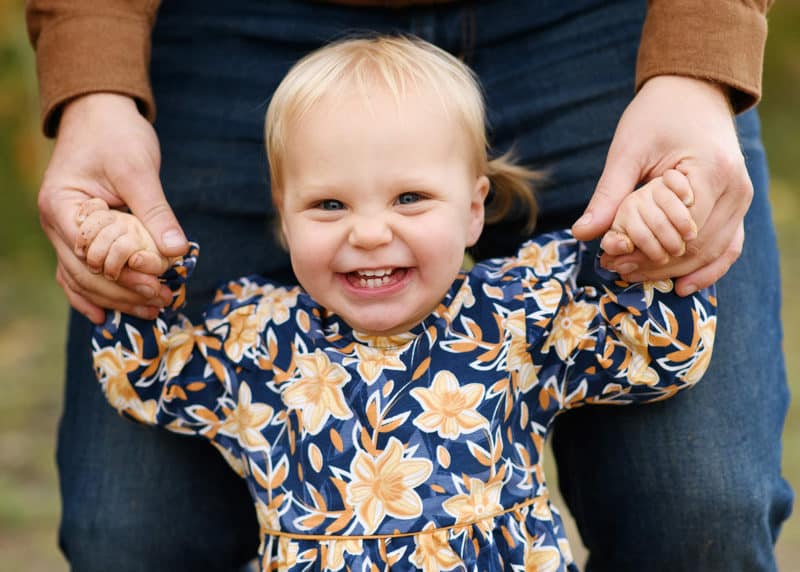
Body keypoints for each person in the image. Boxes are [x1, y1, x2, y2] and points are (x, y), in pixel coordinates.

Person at [27, 1, 791, 570]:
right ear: (281, 220)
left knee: (706, 505)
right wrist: (135, 268)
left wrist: (646, 246)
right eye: (328, 205)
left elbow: (649, 357)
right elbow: (151, 380)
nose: (367, 233)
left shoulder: (516, 315)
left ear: (473, 211)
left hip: (587, 20)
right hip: (227, 22)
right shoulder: (251, 338)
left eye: (409, 200)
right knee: (124, 529)